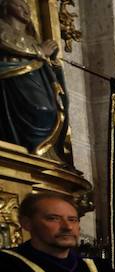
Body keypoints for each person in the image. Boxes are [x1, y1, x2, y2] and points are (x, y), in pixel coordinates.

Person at [0, 0, 69, 158]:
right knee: (41, 111)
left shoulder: (31, 38)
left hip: (36, 78)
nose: (26, 9)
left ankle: (44, 153)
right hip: (11, 76)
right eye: (19, 5)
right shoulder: (2, 27)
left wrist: (53, 61)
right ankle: (33, 151)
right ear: (5, 7)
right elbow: (5, 42)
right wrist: (40, 50)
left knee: (52, 110)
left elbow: (42, 61)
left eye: (27, 6)